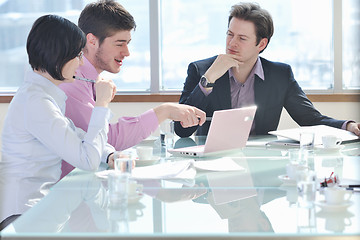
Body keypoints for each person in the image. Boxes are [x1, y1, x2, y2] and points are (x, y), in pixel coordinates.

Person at [59, 0, 205, 178]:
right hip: (66, 188)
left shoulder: (92, 79)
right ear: (92, 40)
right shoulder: (72, 81)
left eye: (128, 43)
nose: (127, 52)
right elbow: (106, 139)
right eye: (119, 44)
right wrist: (163, 111)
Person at [174, 2, 360, 138]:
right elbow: (182, 130)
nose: (232, 43)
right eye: (230, 34)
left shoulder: (280, 75)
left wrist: (348, 126)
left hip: (261, 161)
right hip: (211, 164)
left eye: (242, 38)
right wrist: (209, 79)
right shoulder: (201, 70)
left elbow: (310, 118)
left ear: (261, 44)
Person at [0, 15, 116, 230]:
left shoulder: (43, 94)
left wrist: (109, 154)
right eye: (77, 55)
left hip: (40, 209)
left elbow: (77, 136)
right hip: (23, 217)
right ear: (58, 57)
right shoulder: (36, 103)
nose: (81, 62)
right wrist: (101, 104)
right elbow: (87, 160)